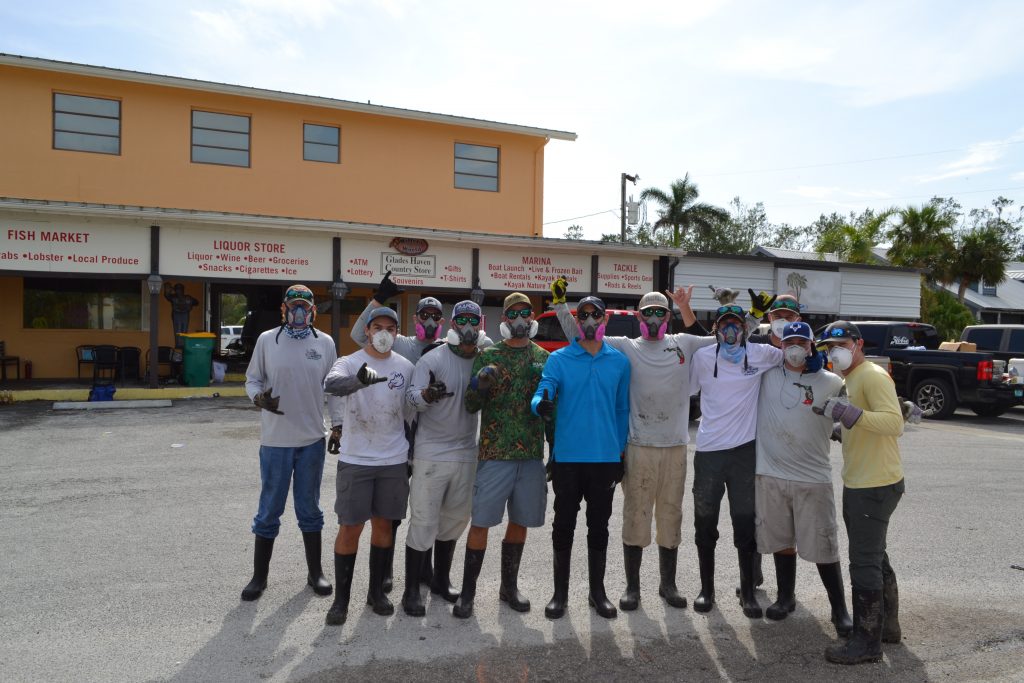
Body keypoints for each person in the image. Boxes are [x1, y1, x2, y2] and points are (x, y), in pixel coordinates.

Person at [549, 279, 715, 611]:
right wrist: (559, 305)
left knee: (670, 516)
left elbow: (719, 342)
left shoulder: (683, 341)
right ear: (639, 315)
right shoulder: (626, 346)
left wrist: (685, 308)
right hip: (638, 444)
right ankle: (632, 587)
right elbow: (579, 333)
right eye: (648, 313)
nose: (654, 319)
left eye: (660, 313)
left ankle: (668, 585)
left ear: (667, 317)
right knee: (636, 515)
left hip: (675, 446)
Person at [351, 272, 493, 589]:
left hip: (436, 443)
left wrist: (479, 333)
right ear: (415, 318)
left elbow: (491, 352)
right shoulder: (403, 345)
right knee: (399, 511)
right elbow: (362, 335)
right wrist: (378, 299)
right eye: (424, 316)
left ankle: (430, 574)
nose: (429, 321)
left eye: (435, 317)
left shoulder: (461, 349)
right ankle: (387, 572)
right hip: (400, 440)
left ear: (445, 322)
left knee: (438, 512)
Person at [532, 295, 631, 619]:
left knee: (599, 526)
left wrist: (619, 451)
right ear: (577, 319)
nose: (589, 320)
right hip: (568, 458)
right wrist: (540, 404)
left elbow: (621, 409)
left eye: (595, 315)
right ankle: (559, 594)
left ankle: (597, 592)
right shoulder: (560, 359)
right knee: (564, 524)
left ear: (604, 320)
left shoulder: (618, 361)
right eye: (584, 315)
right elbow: (543, 389)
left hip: (604, 459)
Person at [241, 284, 340, 602]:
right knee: (269, 509)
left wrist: (337, 427)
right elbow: (252, 379)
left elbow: (334, 388)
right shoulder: (267, 340)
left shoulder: (324, 343)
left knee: (309, 508)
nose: (299, 312)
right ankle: (259, 577)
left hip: (311, 439)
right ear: (284, 309)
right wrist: (258, 399)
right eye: (294, 306)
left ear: (313, 311)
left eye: (305, 307)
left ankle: (315, 573)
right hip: (275, 441)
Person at [754, 321, 853, 636]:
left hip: (813, 477)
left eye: (802, 342)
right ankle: (785, 598)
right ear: (780, 346)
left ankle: (839, 610)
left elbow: (848, 419)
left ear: (812, 346)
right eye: (789, 342)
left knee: (824, 544)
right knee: (782, 541)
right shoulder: (766, 376)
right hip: (770, 473)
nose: (795, 347)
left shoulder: (832, 382)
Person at [455, 292, 549, 618]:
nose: (520, 319)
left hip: (531, 455)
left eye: (525, 313)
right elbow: (470, 406)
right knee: (480, 522)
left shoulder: (542, 357)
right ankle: (467, 594)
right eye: (514, 314)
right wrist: (481, 385)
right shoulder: (488, 356)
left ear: (532, 316)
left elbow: (550, 408)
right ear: (504, 320)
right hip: (495, 453)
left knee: (520, 521)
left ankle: (509, 587)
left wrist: (555, 453)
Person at [688, 299, 783, 618]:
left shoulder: (761, 353)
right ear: (716, 329)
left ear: (746, 328)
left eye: (737, 324)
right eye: (724, 324)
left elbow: (794, 359)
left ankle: (748, 593)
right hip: (709, 451)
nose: (731, 329)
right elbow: (684, 390)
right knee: (705, 522)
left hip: (745, 451)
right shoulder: (702, 358)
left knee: (745, 522)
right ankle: (706, 590)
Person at [818, 321, 905, 665]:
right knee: (875, 555)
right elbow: (866, 422)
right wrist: (843, 427)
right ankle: (888, 628)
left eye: (840, 343)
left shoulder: (870, 374)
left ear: (858, 343)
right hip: (863, 481)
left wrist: (850, 413)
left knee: (864, 562)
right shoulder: (851, 379)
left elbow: (893, 422)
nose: (834, 350)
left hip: (873, 486)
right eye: (828, 347)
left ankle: (867, 641)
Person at [322, 307, 415, 626]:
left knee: (384, 526)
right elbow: (331, 386)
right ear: (368, 331)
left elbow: (412, 407)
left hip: (393, 459)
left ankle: (377, 593)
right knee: (350, 527)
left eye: (391, 328)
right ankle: (340, 602)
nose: (384, 333)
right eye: (378, 327)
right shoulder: (348, 362)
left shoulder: (405, 366)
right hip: (356, 459)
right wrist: (359, 380)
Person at [400, 300, 486, 616]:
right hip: (431, 453)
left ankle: (440, 580)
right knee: (423, 520)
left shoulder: (483, 358)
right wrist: (426, 395)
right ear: (452, 325)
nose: (467, 327)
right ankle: (411, 591)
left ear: (481, 325)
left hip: (466, 452)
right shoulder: (432, 359)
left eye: (473, 321)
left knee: (454, 520)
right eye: (461, 320)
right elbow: (411, 396)